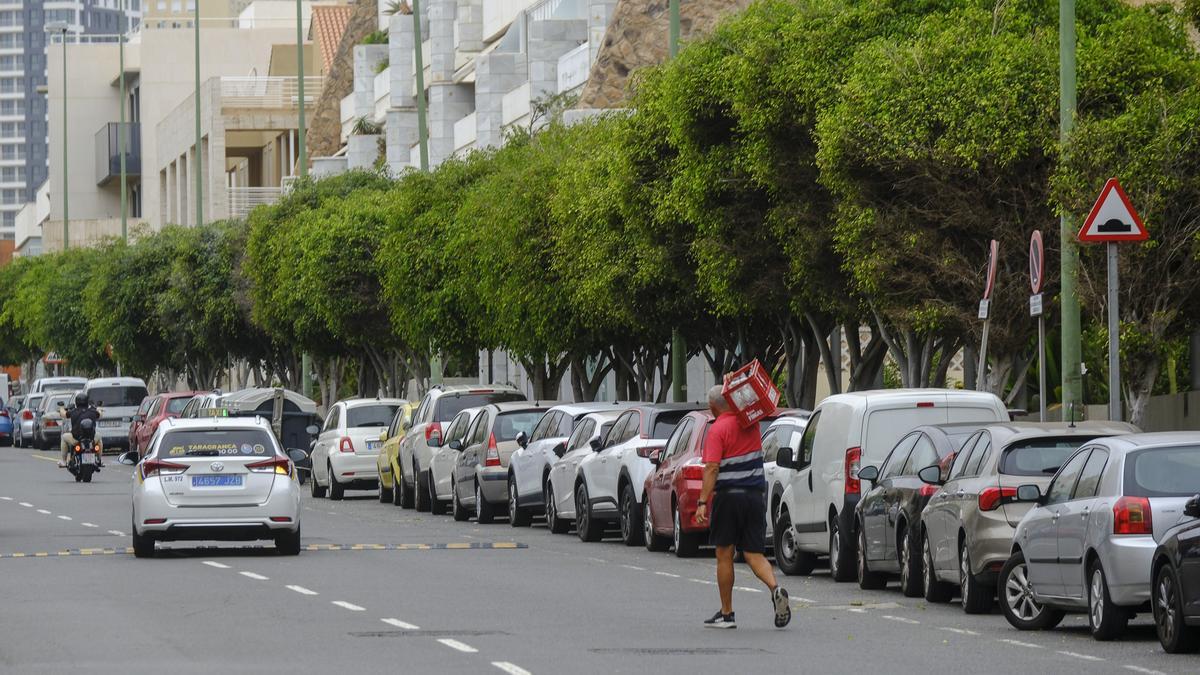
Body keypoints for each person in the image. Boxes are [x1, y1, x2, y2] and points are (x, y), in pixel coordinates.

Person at [694, 384, 790, 629]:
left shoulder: (717, 430)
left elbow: (712, 468)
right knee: (753, 553)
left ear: (713, 407)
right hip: (755, 495)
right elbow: (752, 397)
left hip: (729, 497)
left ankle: (727, 614)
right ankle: (775, 588)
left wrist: (703, 501)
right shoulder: (751, 424)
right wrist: (734, 385)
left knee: (724, 554)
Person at [59, 392, 102, 469]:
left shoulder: (73, 412)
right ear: (87, 402)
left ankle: (63, 461)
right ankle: (99, 459)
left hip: (76, 439)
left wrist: (61, 407)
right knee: (99, 437)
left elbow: (64, 414)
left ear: (76, 402)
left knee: (64, 437)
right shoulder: (92, 411)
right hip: (91, 439)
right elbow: (100, 414)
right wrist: (98, 407)